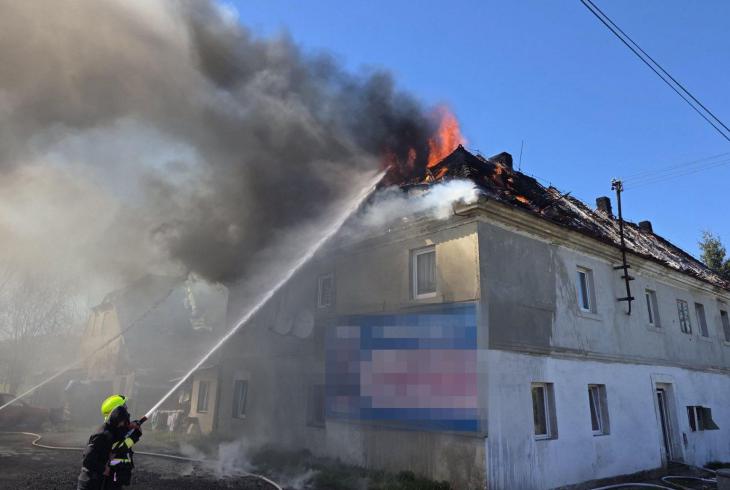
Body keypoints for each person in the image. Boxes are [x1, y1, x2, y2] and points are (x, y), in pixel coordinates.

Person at [77, 394, 143, 490]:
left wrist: (135, 433)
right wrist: (103, 469)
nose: (127, 412)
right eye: (124, 408)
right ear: (117, 413)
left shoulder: (115, 430)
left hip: (109, 482)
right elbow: (87, 460)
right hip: (93, 484)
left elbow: (121, 447)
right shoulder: (103, 434)